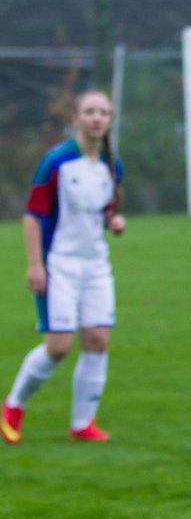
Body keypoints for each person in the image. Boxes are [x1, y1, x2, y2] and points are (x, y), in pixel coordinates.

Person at [2, 89, 125, 445]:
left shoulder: (111, 163)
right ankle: (13, 405)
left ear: (110, 120)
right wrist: (35, 265)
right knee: (58, 346)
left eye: (103, 112)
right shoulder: (55, 161)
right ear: (76, 118)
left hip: (97, 266)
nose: (97, 117)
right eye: (90, 111)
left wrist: (114, 222)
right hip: (59, 265)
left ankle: (82, 423)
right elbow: (32, 216)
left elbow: (105, 209)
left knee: (98, 340)